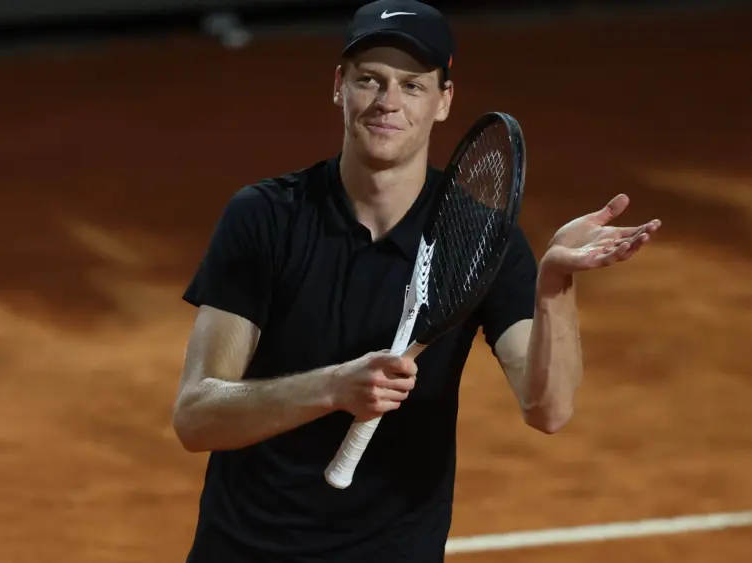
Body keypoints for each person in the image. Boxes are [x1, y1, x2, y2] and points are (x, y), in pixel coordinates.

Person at [172, 0, 662, 561]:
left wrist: (555, 284)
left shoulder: (481, 241)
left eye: (412, 86)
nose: (388, 102)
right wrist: (332, 388)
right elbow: (196, 417)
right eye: (369, 81)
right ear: (339, 86)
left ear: (443, 101)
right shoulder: (264, 219)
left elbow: (547, 410)